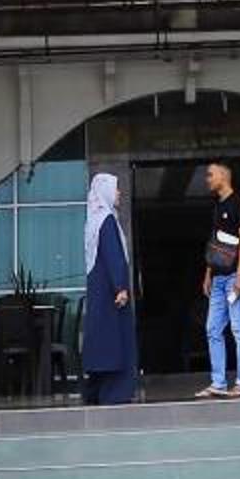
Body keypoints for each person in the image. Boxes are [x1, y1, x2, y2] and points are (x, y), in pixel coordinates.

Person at [196, 160, 240, 398]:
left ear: (223, 176)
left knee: (239, 327)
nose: (207, 179)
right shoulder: (217, 206)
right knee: (212, 329)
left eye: (211, 174)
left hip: (237, 276)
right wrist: (208, 274)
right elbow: (216, 244)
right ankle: (218, 383)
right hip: (219, 277)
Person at [81, 171, 140, 406]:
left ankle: (96, 392)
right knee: (116, 340)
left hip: (99, 289)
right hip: (111, 292)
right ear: (104, 190)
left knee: (102, 340)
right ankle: (115, 393)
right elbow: (113, 256)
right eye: (115, 188)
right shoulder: (106, 221)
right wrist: (121, 287)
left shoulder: (93, 221)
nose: (119, 192)